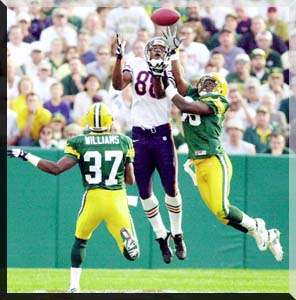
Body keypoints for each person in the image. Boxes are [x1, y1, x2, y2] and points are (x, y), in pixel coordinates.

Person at [161, 28, 283, 262]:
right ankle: (264, 232)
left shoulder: (219, 101)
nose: (206, 83)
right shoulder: (196, 93)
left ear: (220, 90)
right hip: (198, 164)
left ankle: (257, 224)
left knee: (222, 207)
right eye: (205, 80)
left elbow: (186, 107)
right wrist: (174, 53)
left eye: (211, 82)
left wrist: (169, 91)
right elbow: (179, 81)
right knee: (220, 214)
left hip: (214, 160)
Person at [7, 102, 139, 293]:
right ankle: (128, 241)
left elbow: (56, 169)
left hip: (93, 198)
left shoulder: (79, 142)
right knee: (132, 255)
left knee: (80, 240)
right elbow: (130, 180)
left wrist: (25, 155)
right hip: (116, 199)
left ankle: (74, 286)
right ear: (110, 120)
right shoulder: (123, 141)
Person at [112, 34, 186, 263]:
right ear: (146, 50)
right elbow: (117, 84)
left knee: (171, 187)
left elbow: (160, 92)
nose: (157, 50)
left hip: (162, 133)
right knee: (144, 191)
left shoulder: (169, 68)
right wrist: (119, 58)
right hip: (139, 135)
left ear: (167, 53)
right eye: (153, 47)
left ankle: (177, 233)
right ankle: (161, 236)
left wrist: (160, 71)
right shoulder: (134, 63)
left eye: (162, 49)